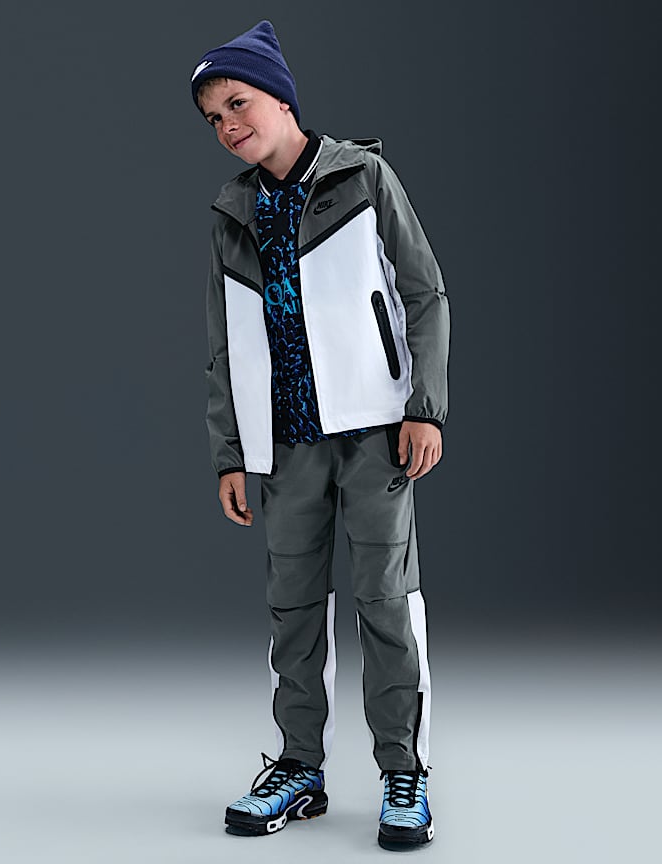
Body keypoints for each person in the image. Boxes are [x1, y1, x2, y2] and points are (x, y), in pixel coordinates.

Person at [190, 20, 449, 852]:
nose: (228, 126)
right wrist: (233, 454)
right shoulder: (232, 213)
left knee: (385, 604)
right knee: (293, 612)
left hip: (374, 434)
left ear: (280, 97)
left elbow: (423, 293)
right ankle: (300, 766)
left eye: (238, 103)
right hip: (284, 446)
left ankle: (404, 771)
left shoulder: (363, 178)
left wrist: (423, 405)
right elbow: (224, 347)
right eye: (214, 118)